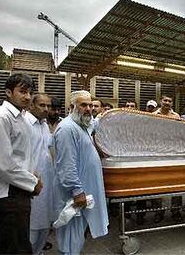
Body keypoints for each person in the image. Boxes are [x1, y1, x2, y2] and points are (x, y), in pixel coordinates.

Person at [0, 73, 42, 254]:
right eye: (22, 91)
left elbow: (22, 155)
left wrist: (32, 175)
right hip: (6, 192)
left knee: (8, 245)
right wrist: (32, 183)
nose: (27, 97)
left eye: (30, 92)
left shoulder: (21, 118)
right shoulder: (0, 117)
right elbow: (2, 164)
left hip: (17, 189)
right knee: (16, 246)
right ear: (8, 92)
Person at [53, 90, 109, 254]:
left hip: (85, 192)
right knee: (71, 238)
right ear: (71, 107)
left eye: (91, 105)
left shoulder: (82, 125)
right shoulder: (67, 129)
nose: (89, 108)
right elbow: (66, 165)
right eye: (83, 105)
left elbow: (94, 123)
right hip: (74, 194)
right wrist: (77, 191)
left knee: (77, 238)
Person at [26, 93, 55, 255]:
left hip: (47, 181)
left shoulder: (44, 125)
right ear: (31, 106)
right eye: (42, 105)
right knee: (31, 225)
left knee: (44, 223)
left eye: (48, 106)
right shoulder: (25, 124)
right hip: (31, 182)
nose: (46, 109)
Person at [153, 94, 181, 222]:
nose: (167, 102)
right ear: (160, 101)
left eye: (170, 101)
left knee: (176, 181)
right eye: (165, 100)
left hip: (174, 153)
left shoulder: (176, 117)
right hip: (158, 153)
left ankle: (176, 210)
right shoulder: (153, 115)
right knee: (158, 182)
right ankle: (159, 211)